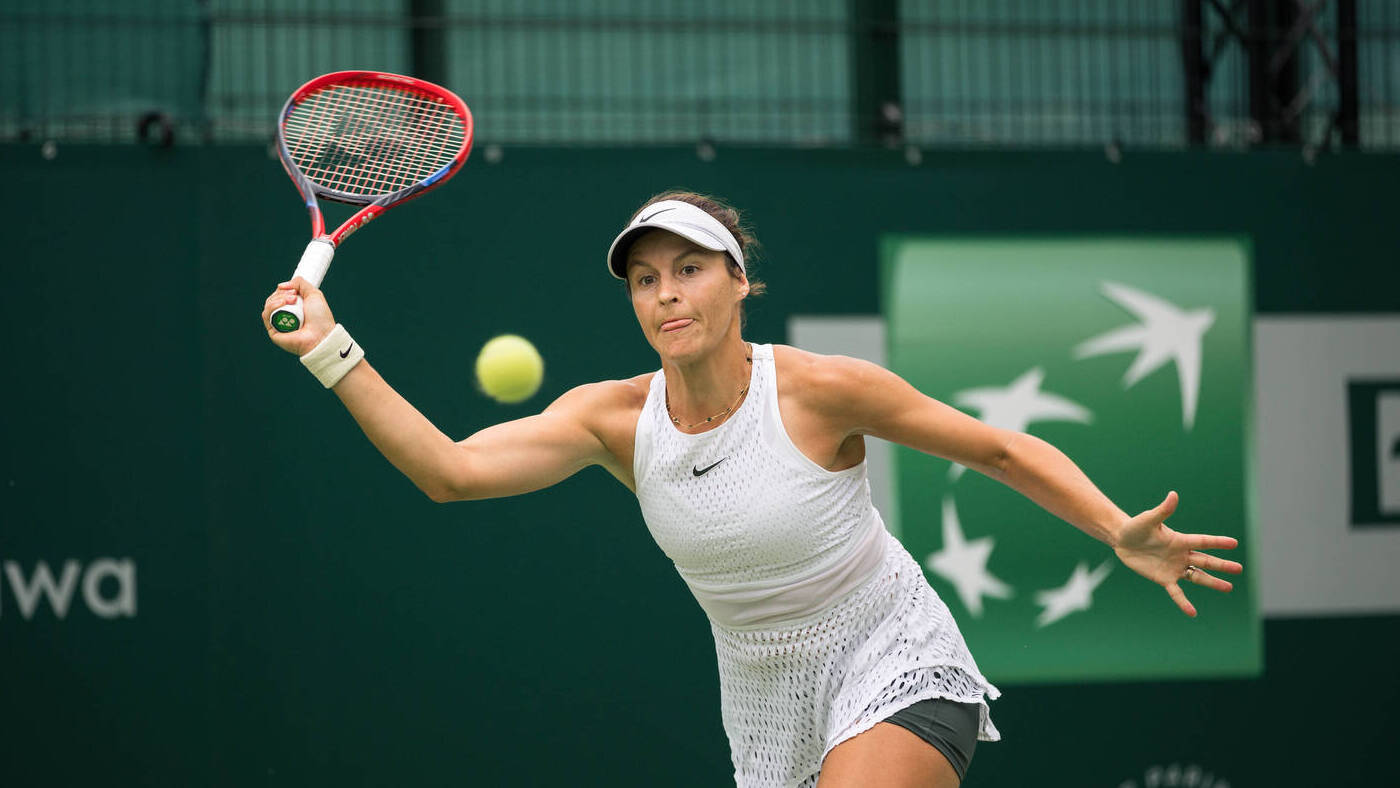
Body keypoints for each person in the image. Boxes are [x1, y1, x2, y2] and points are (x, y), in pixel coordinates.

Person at [261, 191, 1242, 788]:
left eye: (688, 269)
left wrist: (1116, 529)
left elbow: (997, 450)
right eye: (645, 279)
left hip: (893, 657)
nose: (665, 293)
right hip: (765, 704)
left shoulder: (821, 390)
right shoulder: (613, 419)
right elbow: (449, 471)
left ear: (737, 282)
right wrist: (330, 351)